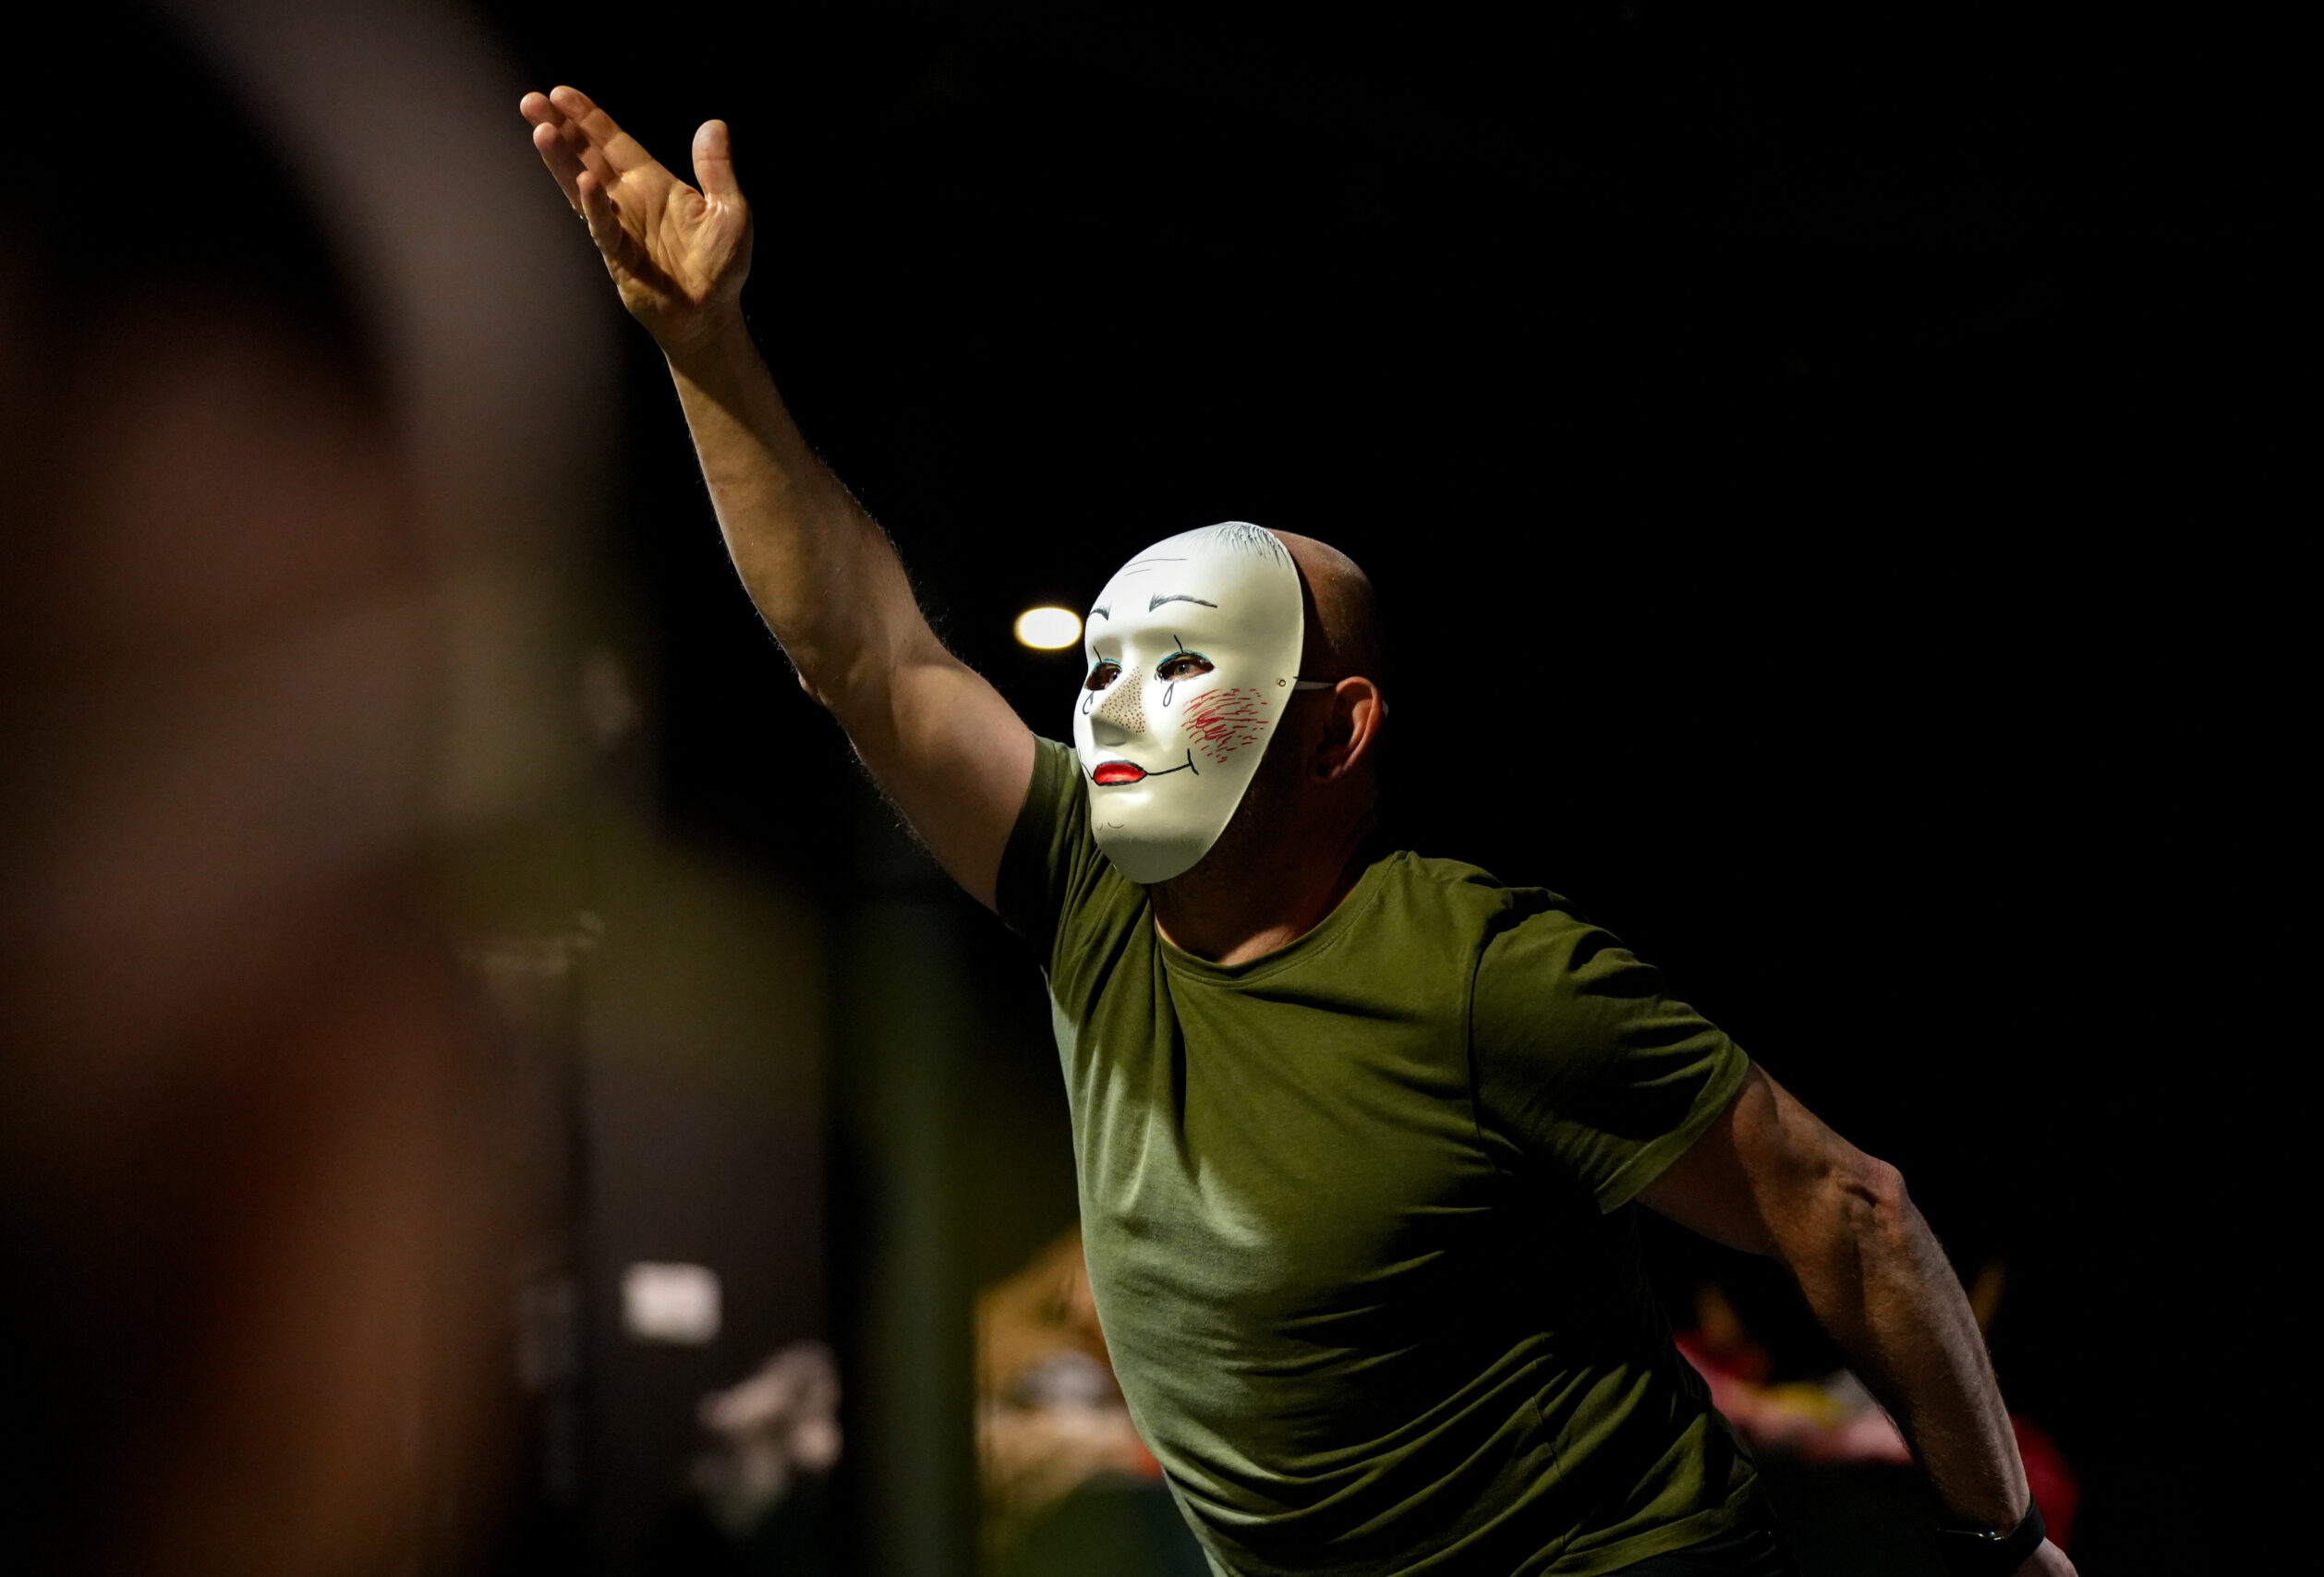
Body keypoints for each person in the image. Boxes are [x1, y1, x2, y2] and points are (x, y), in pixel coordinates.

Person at [517, 86, 2076, 1577]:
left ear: (1337, 732)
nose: (1115, 710)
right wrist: (705, 348)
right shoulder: (1085, 889)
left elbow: (1846, 1206)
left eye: (1182, 664)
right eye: (1102, 667)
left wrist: (2003, 1543)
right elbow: (865, 654)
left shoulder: (1484, 971)